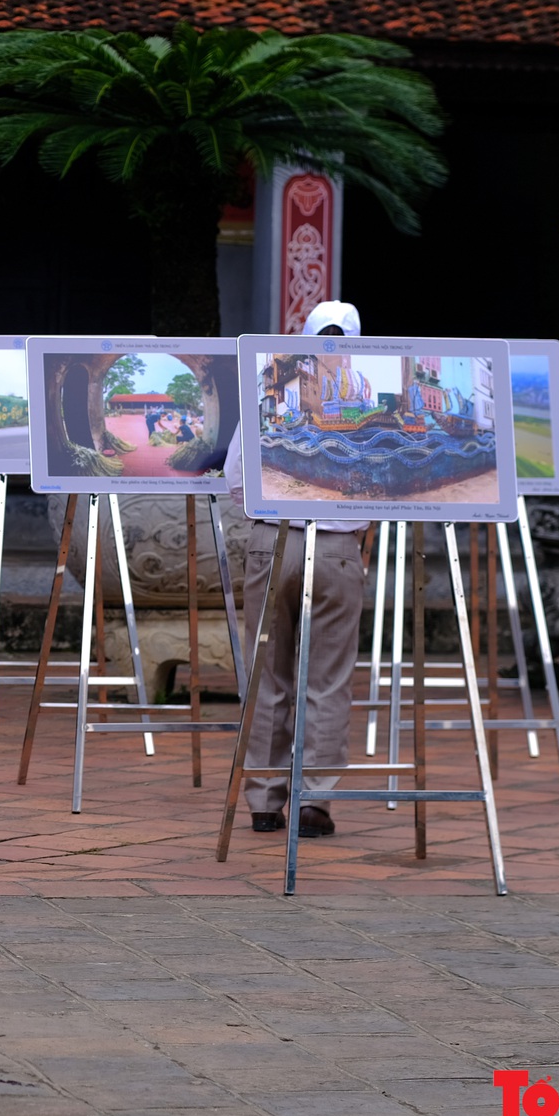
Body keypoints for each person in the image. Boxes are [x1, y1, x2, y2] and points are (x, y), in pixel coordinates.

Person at [222, 300, 370, 839]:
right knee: (327, 681)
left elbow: (237, 478)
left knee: (269, 676)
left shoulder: (270, 382)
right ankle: (315, 803)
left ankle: (264, 802)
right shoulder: (363, 389)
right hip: (337, 547)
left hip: (273, 541)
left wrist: (270, 511)